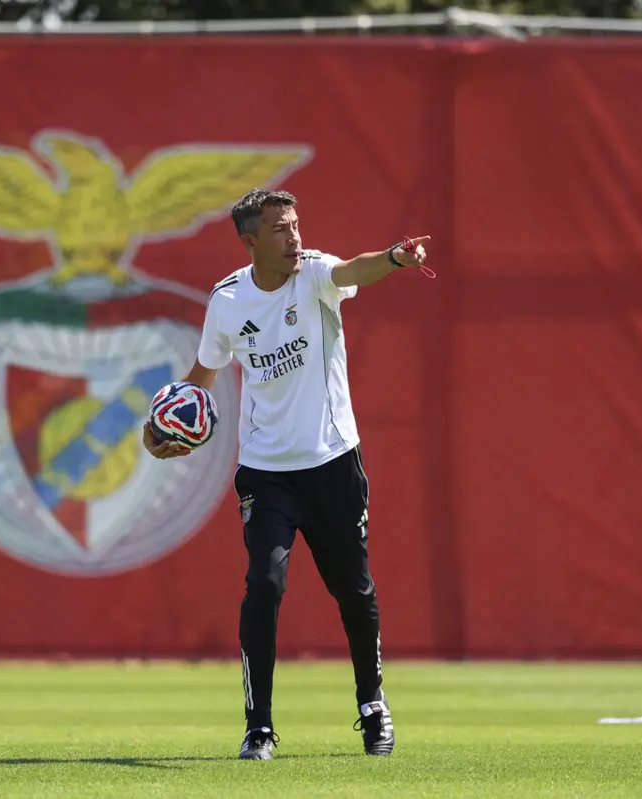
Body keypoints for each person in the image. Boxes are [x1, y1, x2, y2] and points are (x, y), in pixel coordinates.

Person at [142, 187, 430, 760]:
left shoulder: (316, 275)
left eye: (295, 224)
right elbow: (203, 372)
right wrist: (160, 432)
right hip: (267, 471)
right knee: (265, 584)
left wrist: (396, 258)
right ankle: (260, 728)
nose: (293, 236)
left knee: (353, 590)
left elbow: (356, 268)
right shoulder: (227, 300)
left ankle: (373, 707)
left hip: (332, 463)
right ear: (250, 241)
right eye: (279, 229)